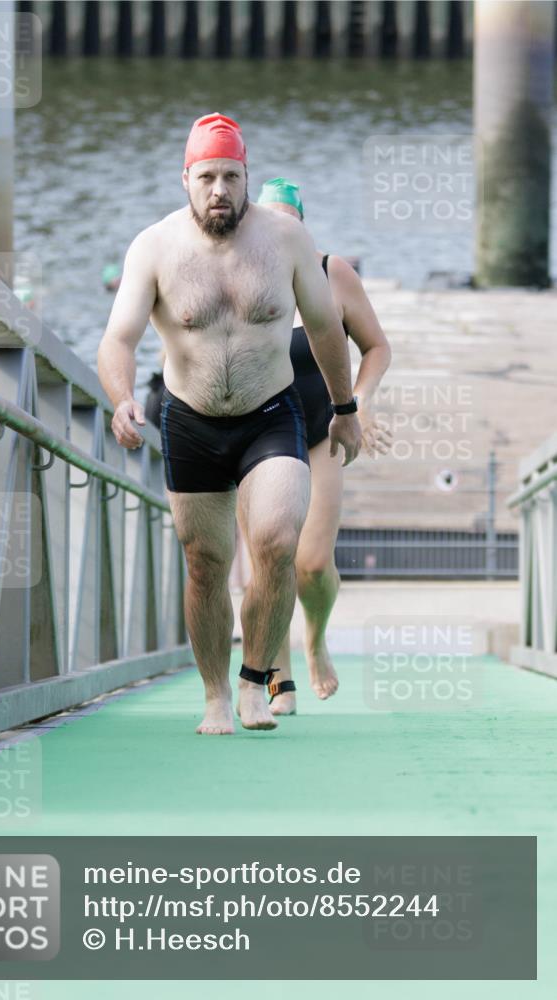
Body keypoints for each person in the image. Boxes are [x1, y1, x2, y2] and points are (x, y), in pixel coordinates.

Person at [97, 113, 362, 735]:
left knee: (275, 541)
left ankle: (254, 679)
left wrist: (346, 410)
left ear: (248, 178)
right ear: (186, 179)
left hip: (271, 416)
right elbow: (119, 338)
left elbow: (326, 328)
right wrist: (120, 397)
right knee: (206, 564)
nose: (221, 189)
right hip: (190, 421)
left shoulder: (286, 240)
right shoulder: (155, 247)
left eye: (233, 176)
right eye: (208, 176)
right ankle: (215, 694)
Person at [256, 178, 392, 714]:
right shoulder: (243, 275)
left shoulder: (332, 273)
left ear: (303, 226)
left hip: (321, 433)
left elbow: (377, 347)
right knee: (273, 559)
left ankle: (314, 639)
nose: (279, 233)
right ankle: (278, 671)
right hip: (261, 436)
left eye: (289, 222)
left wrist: (357, 404)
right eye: (269, 223)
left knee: (311, 563)